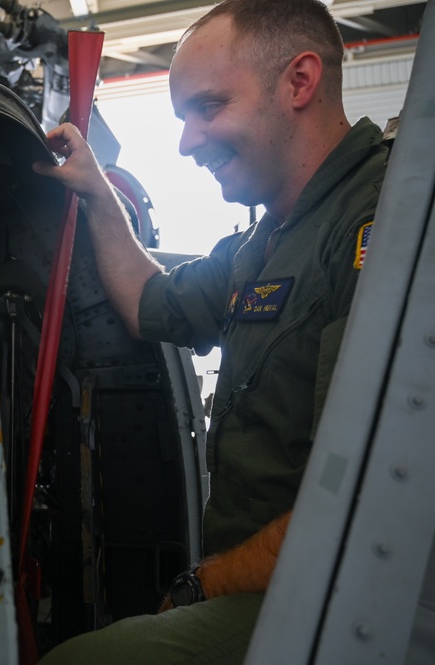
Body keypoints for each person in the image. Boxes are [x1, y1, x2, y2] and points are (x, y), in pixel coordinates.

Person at [33, 0, 388, 662]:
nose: (186, 142)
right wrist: (95, 192)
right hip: (250, 577)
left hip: (329, 588)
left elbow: (358, 497)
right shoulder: (265, 240)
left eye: (208, 107)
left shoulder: (380, 226)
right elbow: (149, 302)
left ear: (299, 82)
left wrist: (199, 584)